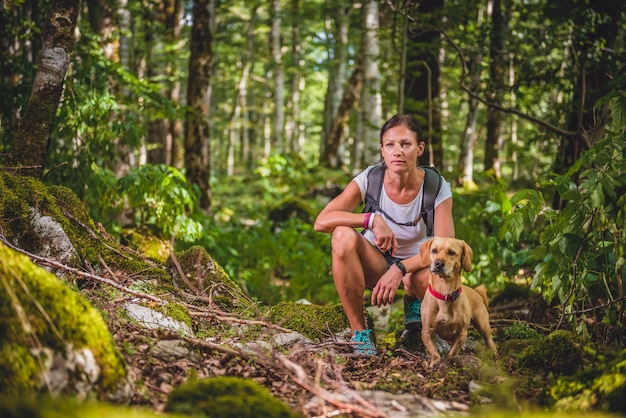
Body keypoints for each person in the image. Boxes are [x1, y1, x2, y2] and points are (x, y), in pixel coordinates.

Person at [314, 114, 455, 356]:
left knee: (435, 278)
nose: (397, 151)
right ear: (381, 149)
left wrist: (399, 268)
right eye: (389, 145)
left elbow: (445, 248)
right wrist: (370, 219)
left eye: (405, 144)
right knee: (341, 235)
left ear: (420, 148)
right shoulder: (371, 179)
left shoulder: (435, 186)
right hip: (375, 264)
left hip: (417, 271)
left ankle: (415, 304)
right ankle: (360, 333)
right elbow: (321, 221)